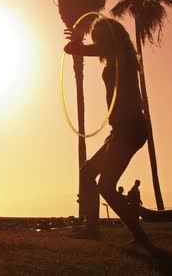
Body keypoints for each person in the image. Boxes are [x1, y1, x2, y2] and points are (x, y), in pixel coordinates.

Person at [65, 18, 150, 247]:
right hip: (121, 129)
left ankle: (140, 236)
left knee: (106, 185)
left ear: (112, 37)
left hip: (131, 128)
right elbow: (71, 49)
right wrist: (75, 41)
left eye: (100, 37)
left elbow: (81, 49)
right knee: (88, 172)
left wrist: (79, 43)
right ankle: (92, 230)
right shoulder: (114, 57)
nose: (98, 42)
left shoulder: (123, 57)